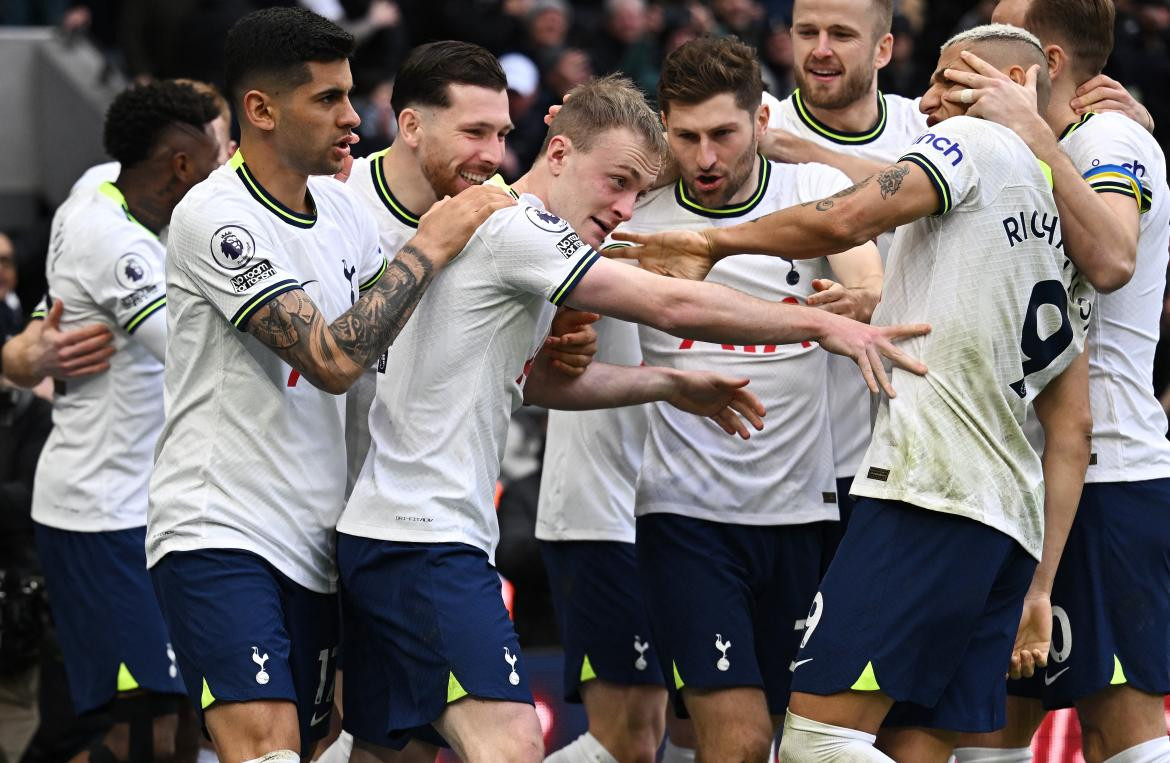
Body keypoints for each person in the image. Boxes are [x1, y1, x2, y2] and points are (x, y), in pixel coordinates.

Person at [336, 73, 928, 763]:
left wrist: (670, 381)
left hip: (396, 532)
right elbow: (667, 303)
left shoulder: (505, 231)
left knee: (384, 753)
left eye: (636, 191)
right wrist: (819, 326)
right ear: (557, 154)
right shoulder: (518, 228)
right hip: (423, 540)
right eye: (614, 181)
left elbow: (540, 385)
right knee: (514, 746)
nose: (623, 208)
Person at [616, 25, 1094, 760]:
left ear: (1018, 89)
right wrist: (1039, 582)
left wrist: (714, 242)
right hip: (1006, 516)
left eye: (952, 84)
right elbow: (1071, 421)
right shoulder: (1052, 207)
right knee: (915, 744)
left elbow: (843, 215)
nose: (928, 100)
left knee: (813, 739)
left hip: (926, 492)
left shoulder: (971, 148)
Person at [144, 8, 516, 763]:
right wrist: (434, 240)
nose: (353, 116)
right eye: (327, 99)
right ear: (261, 110)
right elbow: (331, 358)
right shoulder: (215, 217)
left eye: (351, 94)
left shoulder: (342, 209)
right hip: (220, 531)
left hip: (318, 543)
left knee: (321, 749)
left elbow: (395, 335)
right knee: (269, 751)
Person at [550, 35, 882, 763]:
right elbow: (547, 271)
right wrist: (563, 338)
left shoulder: (809, 190)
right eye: (688, 136)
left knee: (804, 744)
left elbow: (868, 274)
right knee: (738, 739)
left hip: (805, 512)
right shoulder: (634, 210)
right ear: (665, 127)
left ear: (761, 122)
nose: (705, 156)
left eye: (724, 135)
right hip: (685, 515)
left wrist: (856, 299)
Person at [943, 2, 1170, 762]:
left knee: (1118, 724)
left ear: (1039, 58)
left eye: (999, 25)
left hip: (1108, 476)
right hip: (1024, 476)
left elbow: (1111, 260)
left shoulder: (1109, 136)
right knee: (990, 722)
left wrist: (1046, 134)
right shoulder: (1059, 142)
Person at [31, 79, 223, 763]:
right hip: (100, 513)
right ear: (180, 163)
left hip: (145, 508)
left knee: (172, 716)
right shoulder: (113, 240)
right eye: (219, 148)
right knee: (141, 719)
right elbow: (191, 353)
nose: (228, 163)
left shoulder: (102, 189)